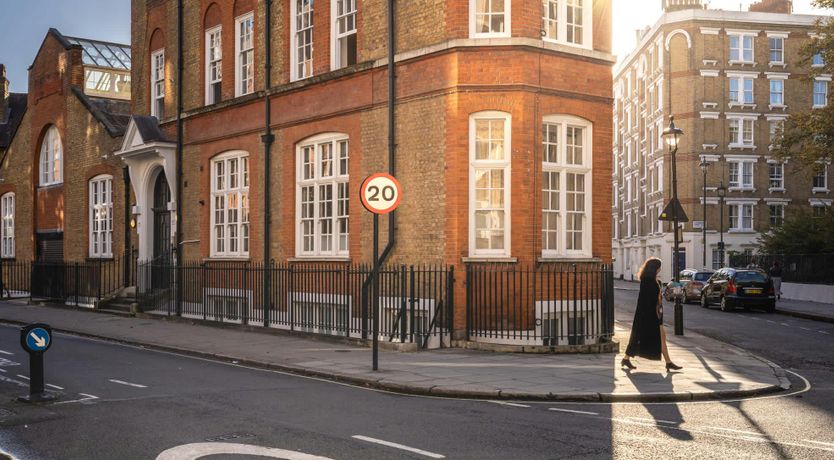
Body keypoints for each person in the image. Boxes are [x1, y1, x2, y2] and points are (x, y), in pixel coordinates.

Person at [621, 257, 682, 371]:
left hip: (655, 314)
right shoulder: (648, 281)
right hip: (649, 315)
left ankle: (668, 362)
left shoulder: (653, 280)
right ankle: (626, 358)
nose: (660, 269)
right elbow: (647, 299)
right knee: (638, 336)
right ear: (655, 268)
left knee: (659, 337)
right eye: (659, 267)